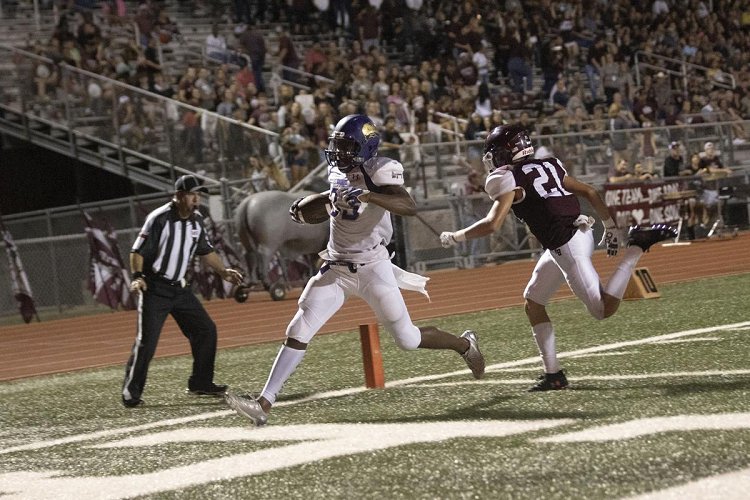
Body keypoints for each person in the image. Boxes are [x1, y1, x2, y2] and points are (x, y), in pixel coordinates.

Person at [225, 114, 486, 425]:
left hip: (373, 268)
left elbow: (408, 206)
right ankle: (263, 405)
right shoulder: (338, 171)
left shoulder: (381, 170)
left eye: (346, 146)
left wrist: (369, 195)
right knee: (298, 329)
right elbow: (322, 210)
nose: (339, 152)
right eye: (337, 145)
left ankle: (464, 344)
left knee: (408, 339)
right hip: (336, 268)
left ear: (365, 146)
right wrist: (318, 202)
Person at [439, 125, 677, 391]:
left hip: (567, 244)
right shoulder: (549, 164)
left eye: (494, 153)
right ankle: (553, 375)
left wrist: (457, 236)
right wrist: (610, 226)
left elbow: (492, 224)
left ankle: (635, 248)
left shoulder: (509, 178)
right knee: (533, 302)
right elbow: (590, 191)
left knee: (602, 310)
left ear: (505, 152)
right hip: (574, 235)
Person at [122, 175, 244, 407]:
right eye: (191, 194)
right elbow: (137, 251)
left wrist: (223, 272)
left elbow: (205, 251)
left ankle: (200, 382)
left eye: (198, 194)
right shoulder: (159, 218)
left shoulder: (197, 221)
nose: (196, 199)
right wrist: (137, 277)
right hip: (155, 288)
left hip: (180, 289)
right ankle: (131, 393)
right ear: (178, 196)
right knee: (147, 342)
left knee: (205, 330)